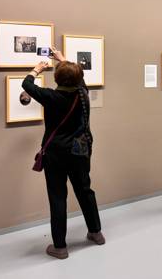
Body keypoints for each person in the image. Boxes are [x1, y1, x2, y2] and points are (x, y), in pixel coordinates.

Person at [22, 46, 104, 259]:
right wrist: (62, 59)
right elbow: (78, 78)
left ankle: (60, 247)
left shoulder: (51, 96)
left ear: (57, 78)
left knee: (58, 197)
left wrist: (36, 69)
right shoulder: (83, 93)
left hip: (56, 153)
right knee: (85, 190)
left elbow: (26, 84)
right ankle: (96, 232)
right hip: (80, 150)